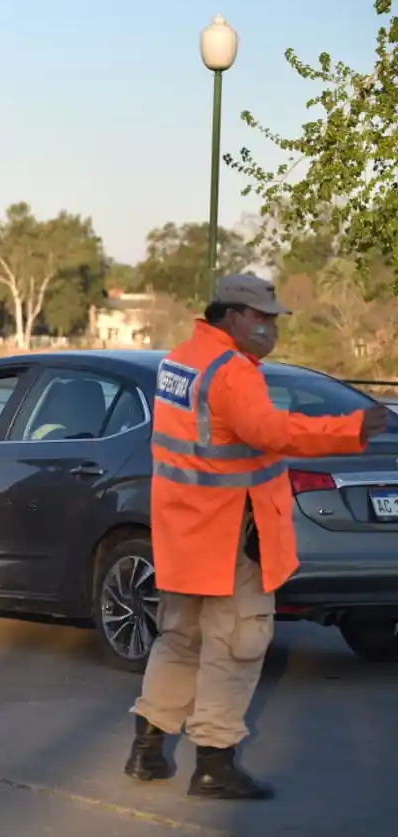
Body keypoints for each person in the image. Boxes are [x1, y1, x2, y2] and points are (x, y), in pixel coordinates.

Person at [124, 274, 391, 800]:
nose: (271, 328)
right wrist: (352, 429)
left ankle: (148, 749)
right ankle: (214, 766)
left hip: (187, 532)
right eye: (262, 318)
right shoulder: (232, 374)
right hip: (232, 534)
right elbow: (273, 432)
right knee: (238, 645)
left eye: (273, 319)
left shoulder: (180, 361)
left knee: (180, 640)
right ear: (230, 315)